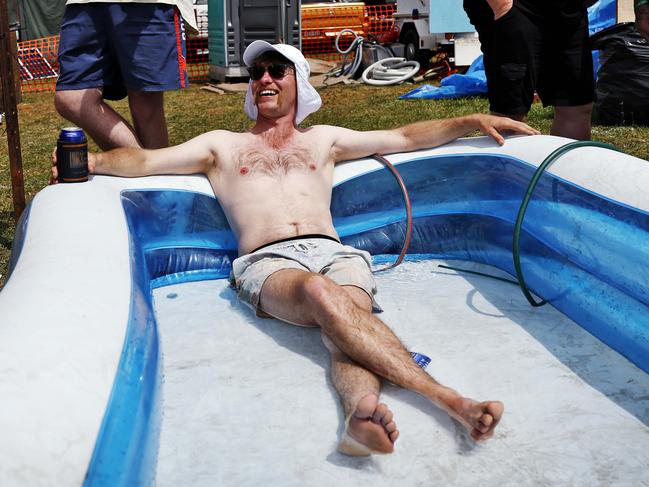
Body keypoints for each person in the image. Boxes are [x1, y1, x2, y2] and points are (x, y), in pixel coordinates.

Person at [52, 41, 540, 455]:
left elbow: (406, 135)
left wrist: (469, 118)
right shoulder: (221, 145)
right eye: (256, 72)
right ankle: (452, 401)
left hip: (336, 254)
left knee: (342, 322)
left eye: (276, 70)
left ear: (298, 83)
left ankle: (357, 418)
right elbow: (145, 162)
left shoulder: (324, 140)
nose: (264, 78)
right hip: (269, 263)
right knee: (324, 296)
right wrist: (89, 161)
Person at [54, 0, 197, 150]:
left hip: (147, 5)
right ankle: (148, 166)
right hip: (82, 4)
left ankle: (151, 168)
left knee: (145, 104)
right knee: (71, 99)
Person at [463, 0, 596, 140]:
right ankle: (507, 161)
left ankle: (568, 162)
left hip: (568, 12)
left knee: (576, 104)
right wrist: (502, 7)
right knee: (510, 112)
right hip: (516, 6)